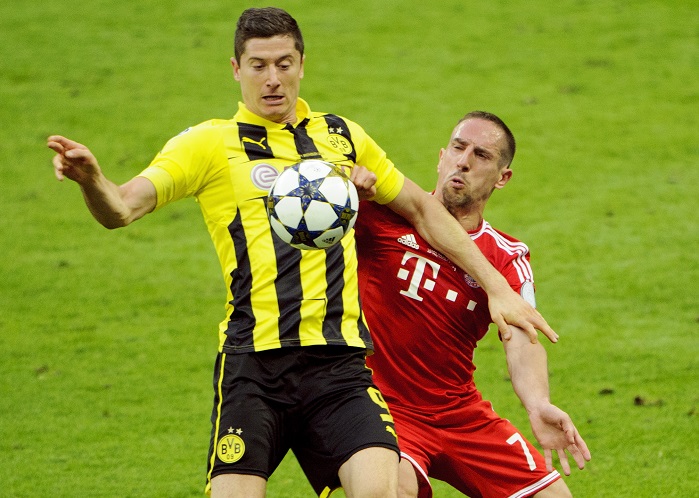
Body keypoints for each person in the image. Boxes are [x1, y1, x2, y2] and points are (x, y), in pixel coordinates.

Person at [47, 7, 556, 498]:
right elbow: (121, 208)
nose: (273, 80)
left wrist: (497, 287)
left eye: (284, 64)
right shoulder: (207, 145)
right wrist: (92, 180)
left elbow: (424, 209)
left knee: (381, 490)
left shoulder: (341, 137)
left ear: (302, 65)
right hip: (253, 364)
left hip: (337, 365)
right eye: (259, 66)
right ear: (236, 69)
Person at [355, 111, 591, 498]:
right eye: (458, 147)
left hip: (460, 414)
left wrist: (538, 403)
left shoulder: (507, 257)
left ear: (502, 177)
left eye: (481, 155)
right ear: (441, 156)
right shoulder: (383, 214)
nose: (463, 161)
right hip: (382, 406)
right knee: (391, 489)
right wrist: (346, 187)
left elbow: (522, 336)